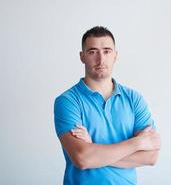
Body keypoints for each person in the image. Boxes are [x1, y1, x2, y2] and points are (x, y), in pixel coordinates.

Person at [54, 26, 161, 185]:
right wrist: (138, 143)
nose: (101, 59)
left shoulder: (134, 99)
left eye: (107, 51)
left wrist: (94, 149)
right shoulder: (68, 101)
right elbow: (82, 158)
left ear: (115, 55)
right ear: (82, 56)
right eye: (92, 52)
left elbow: (150, 156)